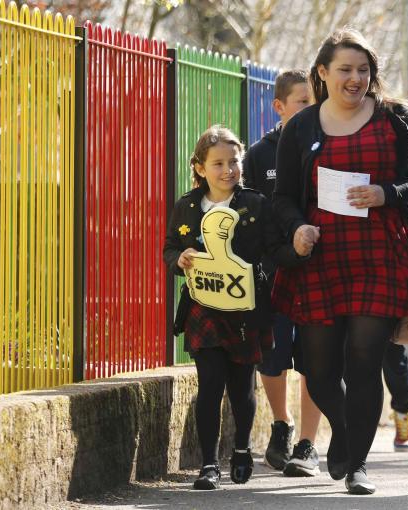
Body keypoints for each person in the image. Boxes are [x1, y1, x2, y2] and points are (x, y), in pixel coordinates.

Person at [272, 28, 408, 495]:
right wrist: (297, 229)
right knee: (318, 368)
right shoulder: (301, 128)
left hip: (380, 256)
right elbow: (283, 198)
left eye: (363, 70)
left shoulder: (396, 118)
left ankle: (358, 463)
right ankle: (343, 433)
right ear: (322, 73)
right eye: (344, 70)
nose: (355, 79)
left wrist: (387, 192)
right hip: (321, 258)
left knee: (365, 362)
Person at [163, 126, 308, 490]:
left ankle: (241, 448)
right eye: (218, 163)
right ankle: (209, 463)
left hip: (246, 311)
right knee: (210, 384)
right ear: (199, 168)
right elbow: (168, 248)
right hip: (202, 308)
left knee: (242, 388)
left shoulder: (257, 204)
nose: (228, 170)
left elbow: (274, 249)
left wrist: (299, 252)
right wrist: (178, 257)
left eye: (234, 161)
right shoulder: (186, 206)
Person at [243, 69, 323, 477]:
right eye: (302, 101)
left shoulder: (328, 141)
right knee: (272, 357)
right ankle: (282, 423)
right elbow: (254, 213)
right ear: (279, 106)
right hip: (274, 272)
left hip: (320, 272)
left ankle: (307, 444)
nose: (311, 108)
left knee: (314, 357)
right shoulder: (260, 153)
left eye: (315, 100)